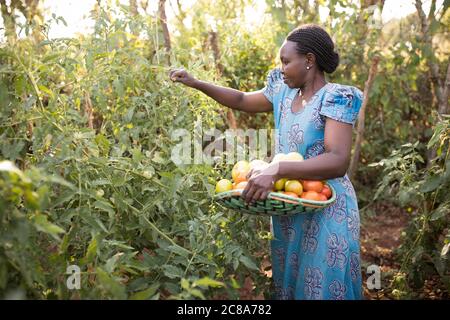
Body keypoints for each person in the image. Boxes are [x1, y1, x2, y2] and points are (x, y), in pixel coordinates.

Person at [169, 24, 363, 300]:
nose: (281, 68)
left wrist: (277, 168)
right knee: (291, 282)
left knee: (321, 288)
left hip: (326, 208)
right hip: (288, 205)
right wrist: (196, 82)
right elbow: (240, 99)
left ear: (309, 60)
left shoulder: (336, 98)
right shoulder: (283, 91)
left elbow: (337, 160)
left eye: (286, 61)